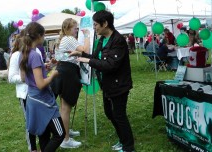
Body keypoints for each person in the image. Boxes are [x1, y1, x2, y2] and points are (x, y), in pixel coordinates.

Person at [69, 10, 135, 152]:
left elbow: (111, 65)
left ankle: (129, 146)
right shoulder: (101, 40)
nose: (94, 27)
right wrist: (81, 54)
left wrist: (88, 60)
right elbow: (95, 57)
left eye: (95, 24)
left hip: (119, 85)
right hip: (106, 84)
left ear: (105, 24)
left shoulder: (118, 41)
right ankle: (123, 140)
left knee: (119, 115)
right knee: (109, 113)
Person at [19, 22, 65, 151]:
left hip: (32, 99)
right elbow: (40, 84)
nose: (44, 38)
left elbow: (24, 78)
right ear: (39, 36)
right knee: (59, 134)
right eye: (44, 35)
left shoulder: (24, 53)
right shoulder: (34, 55)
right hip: (43, 101)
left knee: (44, 134)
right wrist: (52, 74)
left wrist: (44, 67)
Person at [52, 18, 90, 148]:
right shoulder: (69, 38)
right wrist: (87, 36)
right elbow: (86, 50)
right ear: (68, 28)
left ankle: (65, 132)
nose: (77, 30)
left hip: (64, 72)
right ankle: (65, 140)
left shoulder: (64, 39)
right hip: (68, 73)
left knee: (64, 107)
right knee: (66, 108)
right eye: (75, 28)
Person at [8, 33, 38, 152]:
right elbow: (11, 78)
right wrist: (25, 78)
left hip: (38, 92)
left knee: (39, 119)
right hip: (25, 94)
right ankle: (32, 148)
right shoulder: (16, 55)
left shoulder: (36, 52)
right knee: (30, 122)